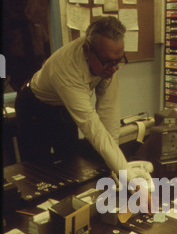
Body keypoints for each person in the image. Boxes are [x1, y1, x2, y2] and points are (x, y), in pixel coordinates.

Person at [14, 16, 146, 188]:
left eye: (118, 60)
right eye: (108, 62)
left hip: (60, 107)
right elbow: (95, 130)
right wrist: (132, 181)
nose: (114, 68)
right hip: (34, 106)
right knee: (38, 172)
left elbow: (109, 112)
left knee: (71, 162)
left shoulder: (108, 61)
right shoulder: (67, 69)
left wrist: (116, 168)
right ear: (86, 50)